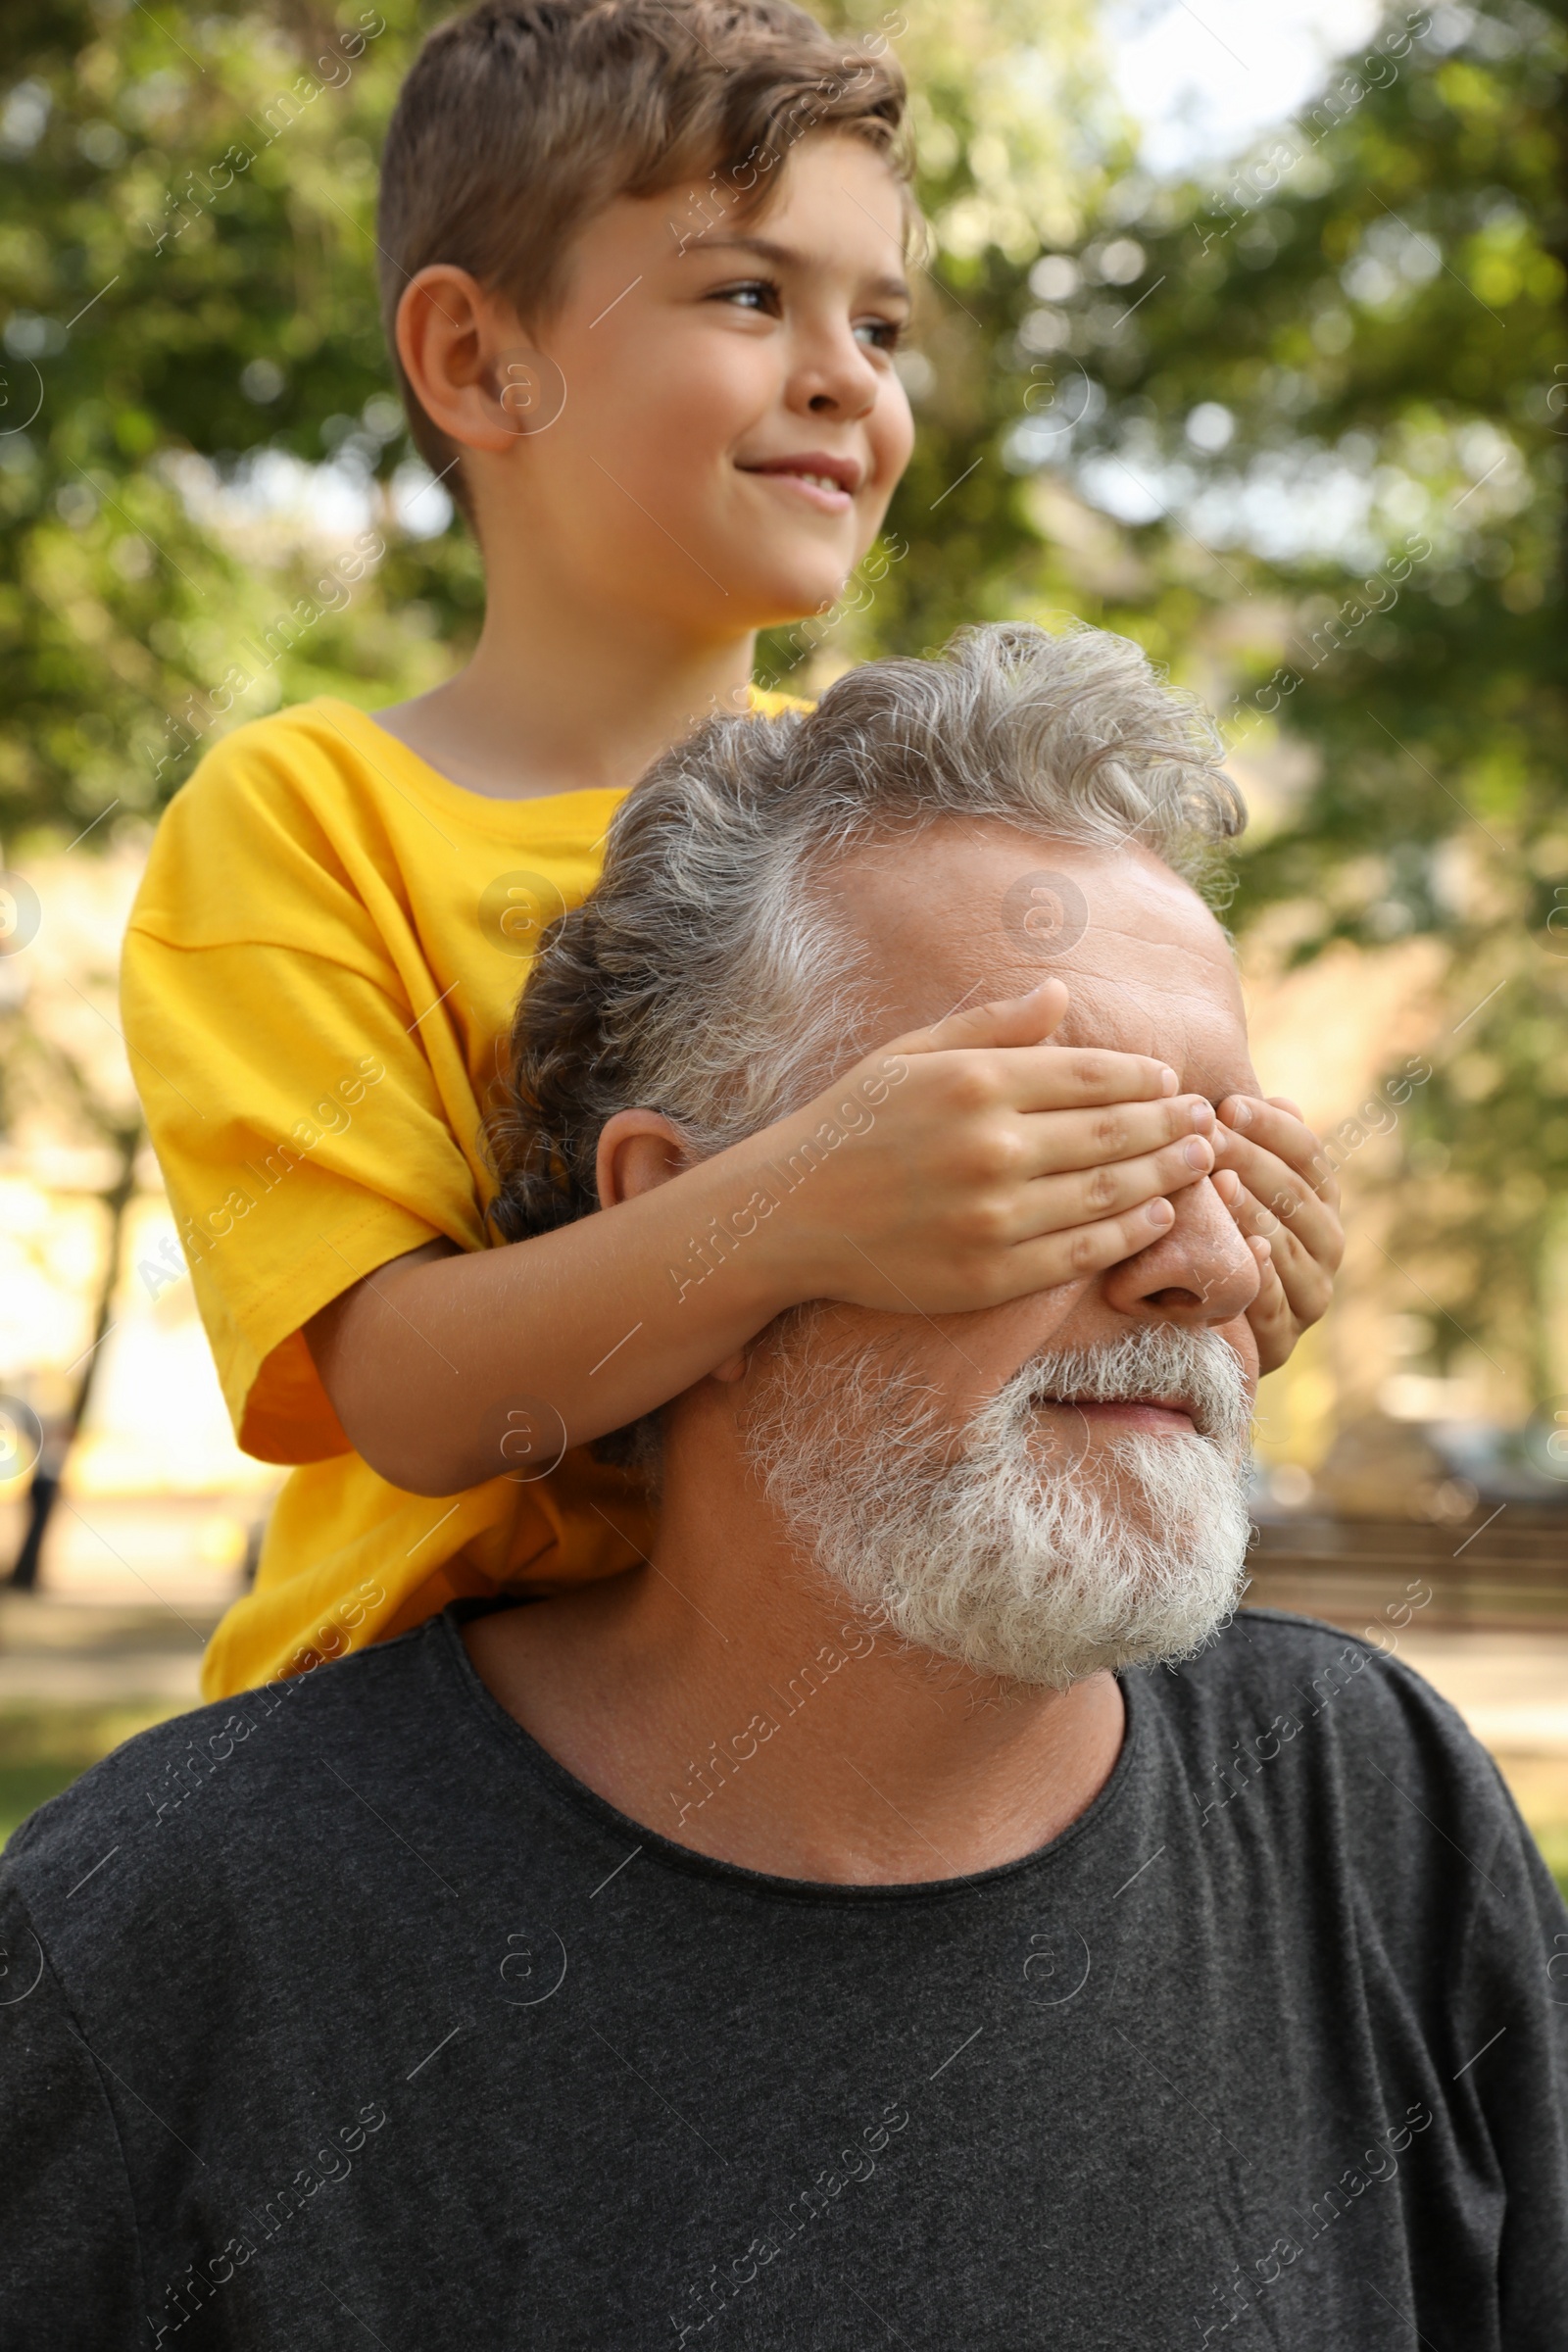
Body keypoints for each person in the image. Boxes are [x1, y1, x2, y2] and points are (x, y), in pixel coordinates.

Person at [8, 625, 1561, 2348]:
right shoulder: (160, 1948)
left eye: (1227, 1156)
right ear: (688, 1224)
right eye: (1052, 1148)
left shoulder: (1373, 1812)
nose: (1202, 1266)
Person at [118, 0, 1339, 1702]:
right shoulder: (300, 816)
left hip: (855, 1722)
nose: (848, 372)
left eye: (886, 323)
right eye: (752, 294)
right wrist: (811, 1204)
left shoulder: (915, 830)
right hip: (438, 1756)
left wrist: (1206, 1259)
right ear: (482, 360)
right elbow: (407, 1398)